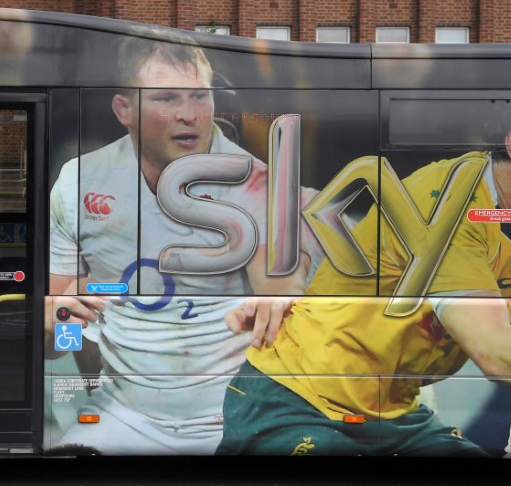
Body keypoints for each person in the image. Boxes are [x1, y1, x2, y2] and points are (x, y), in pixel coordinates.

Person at [47, 34, 321, 455]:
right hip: (122, 416)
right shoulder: (78, 181)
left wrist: (281, 296)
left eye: (199, 96)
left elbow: (282, 288)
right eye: (167, 98)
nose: (189, 114)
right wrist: (58, 322)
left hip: (237, 417)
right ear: (125, 110)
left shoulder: (260, 185)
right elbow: (55, 337)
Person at [217, 139, 511, 457]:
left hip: (390, 413)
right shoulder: (450, 205)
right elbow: (496, 355)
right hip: (296, 397)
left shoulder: (495, 212)